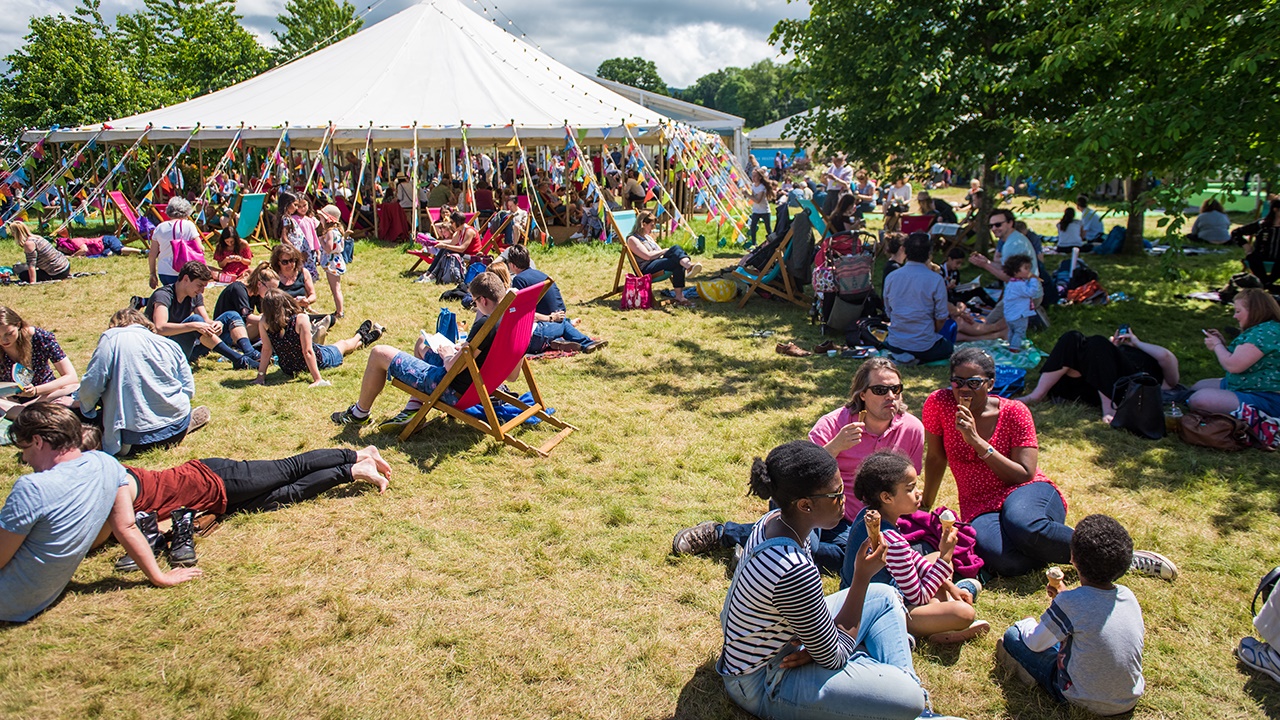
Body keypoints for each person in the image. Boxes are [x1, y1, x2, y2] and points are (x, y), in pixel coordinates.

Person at [716, 440, 931, 720]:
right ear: (805, 505)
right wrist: (861, 577)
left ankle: (891, 690)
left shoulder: (773, 522)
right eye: (837, 494)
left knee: (887, 596)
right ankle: (911, 706)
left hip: (785, 643)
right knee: (911, 700)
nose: (845, 500)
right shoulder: (792, 568)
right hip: (762, 682)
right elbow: (836, 656)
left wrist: (815, 647)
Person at [922, 347, 1177, 579]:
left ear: (990, 383)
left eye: (974, 382)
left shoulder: (1014, 412)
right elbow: (935, 458)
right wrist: (925, 505)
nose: (964, 389)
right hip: (978, 504)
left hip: (1025, 490)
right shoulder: (939, 403)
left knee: (1025, 526)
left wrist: (976, 441)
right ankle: (1048, 547)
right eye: (958, 381)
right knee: (1007, 562)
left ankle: (1119, 558)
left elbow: (1023, 474)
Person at [674, 359, 923, 576]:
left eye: (896, 389)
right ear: (862, 395)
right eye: (881, 390)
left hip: (854, 520)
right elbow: (801, 474)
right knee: (811, 548)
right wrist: (835, 446)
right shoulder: (834, 424)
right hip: (815, 505)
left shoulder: (912, 429)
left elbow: (907, 483)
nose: (890, 396)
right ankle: (721, 533)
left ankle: (756, 545)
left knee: (852, 559)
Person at [0, 403, 201, 622]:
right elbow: (127, 527)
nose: (25, 459)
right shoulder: (108, 464)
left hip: (9, 600)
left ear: (38, 441)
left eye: (24, 450)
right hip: (41, 597)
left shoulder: (32, 488)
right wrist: (159, 576)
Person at [997, 514, 1145, 716]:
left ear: (1072, 558)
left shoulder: (1070, 603)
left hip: (1081, 698)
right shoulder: (1127, 596)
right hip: (1128, 698)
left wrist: (1026, 624)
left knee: (1014, 636)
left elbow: (1035, 643)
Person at [332, 273, 519, 427]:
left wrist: (447, 355)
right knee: (423, 341)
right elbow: (512, 376)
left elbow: (451, 368)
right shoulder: (511, 319)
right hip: (481, 386)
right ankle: (413, 409)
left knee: (379, 353)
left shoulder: (485, 324)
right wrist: (464, 349)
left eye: (474, 302)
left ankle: (359, 414)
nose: (474, 306)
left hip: (453, 390)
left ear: (484, 300)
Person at [848, 451, 989, 644]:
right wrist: (947, 557)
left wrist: (947, 585)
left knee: (933, 557)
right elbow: (920, 596)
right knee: (964, 613)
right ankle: (936, 626)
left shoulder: (868, 514)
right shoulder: (892, 540)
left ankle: (947, 603)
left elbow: (913, 559)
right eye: (910, 488)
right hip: (878, 612)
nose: (918, 492)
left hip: (861, 595)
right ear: (887, 497)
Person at [76, 308, 210, 458]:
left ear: (114, 325)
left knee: (87, 418)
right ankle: (182, 424)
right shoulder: (169, 344)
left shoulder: (112, 339)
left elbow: (92, 384)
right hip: (176, 429)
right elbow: (188, 390)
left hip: (133, 441)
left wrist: (85, 408)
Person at [1023, 328, 1180, 423]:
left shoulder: (1155, 375)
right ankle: (1037, 394)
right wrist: (1112, 350)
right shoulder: (1116, 353)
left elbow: (1167, 358)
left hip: (1124, 389)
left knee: (1098, 341)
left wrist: (1137, 343)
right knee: (1073, 337)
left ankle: (1111, 410)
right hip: (1086, 383)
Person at [251, 290, 382, 389]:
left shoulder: (264, 322)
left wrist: (260, 376)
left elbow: (266, 350)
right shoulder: (300, 319)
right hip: (318, 360)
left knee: (339, 346)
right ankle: (360, 335)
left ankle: (366, 337)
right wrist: (317, 379)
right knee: (343, 345)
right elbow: (307, 351)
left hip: (288, 367)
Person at [1188, 288, 1280, 417]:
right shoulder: (1268, 328)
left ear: (1255, 311)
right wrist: (1223, 345)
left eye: (1238, 311)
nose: (1235, 316)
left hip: (1268, 398)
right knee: (1197, 387)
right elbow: (1245, 357)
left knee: (1198, 400)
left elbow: (1233, 365)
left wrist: (1217, 345)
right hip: (1249, 385)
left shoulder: (1263, 334)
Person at [146, 261, 254, 368]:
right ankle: (239, 360)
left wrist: (216, 324)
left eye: (204, 286)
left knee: (231, 315)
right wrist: (193, 325)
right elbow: (159, 328)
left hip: (188, 347)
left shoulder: (194, 296)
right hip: (163, 352)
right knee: (195, 319)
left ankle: (251, 353)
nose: (202, 291)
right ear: (186, 279)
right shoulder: (163, 295)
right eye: (200, 285)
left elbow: (205, 321)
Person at [506, 245, 606, 353]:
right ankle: (581, 342)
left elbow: (523, 309)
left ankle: (568, 342)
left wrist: (550, 318)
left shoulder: (519, 280)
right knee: (564, 323)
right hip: (557, 314)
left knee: (562, 324)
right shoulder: (540, 274)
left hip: (547, 318)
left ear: (512, 265)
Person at [883, 232, 952, 365]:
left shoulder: (892, 277)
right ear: (929, 253)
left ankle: (906, 356)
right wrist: (931, 332)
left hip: (896, 342)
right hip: (923, 344)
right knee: (948, 347)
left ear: (905, 250)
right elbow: (941, 317)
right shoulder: (935, 279)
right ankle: (915, 356)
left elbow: (889, 310)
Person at [0, 307, 79, 414]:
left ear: (18, 325)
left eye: (9, 333)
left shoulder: (40, 337)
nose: (4, 340)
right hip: (12, 401)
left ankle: (25, 412)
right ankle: (26, 411)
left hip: (46, 394)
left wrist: (35, 391)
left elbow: (71, 377)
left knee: (73, 388)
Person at [626, 210, 701, 308]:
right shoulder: (632, 239)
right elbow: (647, 256)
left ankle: (680, 294)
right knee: (675, 254)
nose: (653, 229)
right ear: (643, 224)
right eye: (651, 226)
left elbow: (658, 252)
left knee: (677, 255)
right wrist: (664, 251)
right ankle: (688, 267)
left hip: (656, 262)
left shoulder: (648, 237)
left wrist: (664, 252)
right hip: (646, 268)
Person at [147, 197, 205, 289]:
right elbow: (200, 248)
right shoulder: (189, 225)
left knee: (170, 296)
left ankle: (144, 301)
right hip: (185, 271)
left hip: (164, 271)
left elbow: (152, 254)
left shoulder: (160, 227)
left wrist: (152, 274)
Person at [212, 262, 278, 342]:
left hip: (240, 329)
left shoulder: (256, 294)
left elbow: (265, 312)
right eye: (271, 289)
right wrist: (273, 321)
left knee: (264, 317)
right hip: (225, 333)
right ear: (260, 284)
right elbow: (248, 317)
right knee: (263, 321)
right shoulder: (238, 289)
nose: (273, 292)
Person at [1231, 201, 1280, 291]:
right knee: (1252, 257)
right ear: (1276, 210)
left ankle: (1266, 284)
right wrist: (1245, 245)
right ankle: (1268, 284)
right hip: (1261, 256)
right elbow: (1236, 233)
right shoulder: (1262, 225)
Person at [5, 221, 70, 284]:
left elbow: (31, 265)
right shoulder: (37, 237)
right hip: (65, 266)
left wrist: (33, 282)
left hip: (57, 272)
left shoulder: (29, 244)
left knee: (23, 275)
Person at [1000, 254, 1040, 350]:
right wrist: (1034, 280)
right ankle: (1014, 348)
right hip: (1019, 315)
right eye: (1026, 268)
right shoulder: (1019, 285)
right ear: (1015, 271)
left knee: (1012, 331)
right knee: (1019, 332)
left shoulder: (1012, 283)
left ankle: (1010, 344)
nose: (1029, 271)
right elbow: (1030, 292)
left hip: (1010, 314)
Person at [316, 204, 347, 320]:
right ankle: (339, 310)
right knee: (337, 287)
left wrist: (321, 241)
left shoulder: (330, 232)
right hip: (337, 260)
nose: (320, 221)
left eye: (322, 218)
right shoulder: (337, 231)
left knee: (335, 289)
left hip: (332, 262)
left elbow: (328, 248)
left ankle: (339, 311)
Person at [271, 243, 318, 310]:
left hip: (301, 312)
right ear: (278, 262)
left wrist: (307, 301)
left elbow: (313, 295)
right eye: (285, 262)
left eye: (292, 260)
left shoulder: (304, 272)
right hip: (281, 312)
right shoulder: (273, 276)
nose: (289, 264)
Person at [211, 211, 252, 283]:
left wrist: (241, 259)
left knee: (252, 272)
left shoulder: (243, 244)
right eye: (227, 242)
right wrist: (226, 260)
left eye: (232, 242)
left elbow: (249, 262)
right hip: (227, 272)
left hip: (242, 271)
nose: (230, 244)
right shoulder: (220, 246)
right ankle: (228, 278)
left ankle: (231, 279)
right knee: (208, 269)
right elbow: (221, 265)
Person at [748, 168, 774, 246]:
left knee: (768, 228)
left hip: (764, 210)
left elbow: (758, 200)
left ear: (760, 177)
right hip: (756, 210)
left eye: (755, 176)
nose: (753, 178)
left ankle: (772, 243)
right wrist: (749, 196)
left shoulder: (762, 187)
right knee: (753, 227)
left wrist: (747, 195)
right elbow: (753, 197)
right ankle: (754, 244)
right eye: (752, 176)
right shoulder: (753, 185)